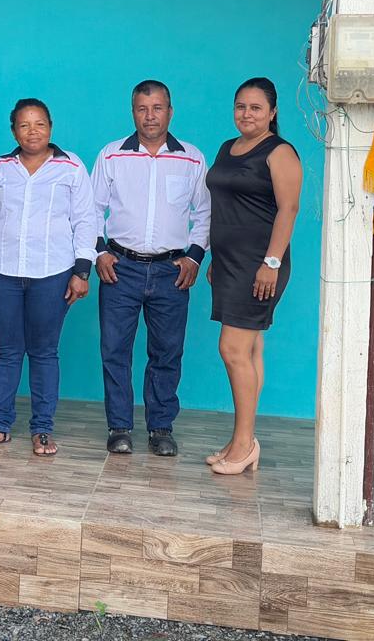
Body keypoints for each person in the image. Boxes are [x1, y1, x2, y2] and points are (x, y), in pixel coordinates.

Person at [0, 99, 96, 457]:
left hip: (52, 273)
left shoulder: (71, 168)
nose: (32, 131)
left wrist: (81, 270)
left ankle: (42, 429)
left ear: (50, 127)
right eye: (24, 125)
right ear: (14, 132)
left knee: (44, 352)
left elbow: (86, 220)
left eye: (39, 124)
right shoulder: (1, 168)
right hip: (2, 272)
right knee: (6, 351)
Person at [92, 79, 210, 457]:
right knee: (115, 351)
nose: (150, 116)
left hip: (170, 271)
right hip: (120, 267)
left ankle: (161, 428)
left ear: (170, 112)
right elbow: (90, 209)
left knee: (166, 353)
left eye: (157, 108)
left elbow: (205, 212)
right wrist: (99, 252)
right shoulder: (112, 155)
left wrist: (194, 256)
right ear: (133, 112)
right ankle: (119, 427)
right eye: (142, 109)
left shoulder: (192, 158)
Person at [204, 78, 302, 475]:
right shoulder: (227, 148)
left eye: (256, 108)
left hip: (260, 265)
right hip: (229, 262)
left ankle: (244, 444)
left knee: (232, 349)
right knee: (251, 349)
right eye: (241, 106)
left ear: (273, 112)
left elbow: (288, 209)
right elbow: (226, 205)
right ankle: (241, 440)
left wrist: (271, 263)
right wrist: (216, 256)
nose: (247, 114)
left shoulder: (279, 152)